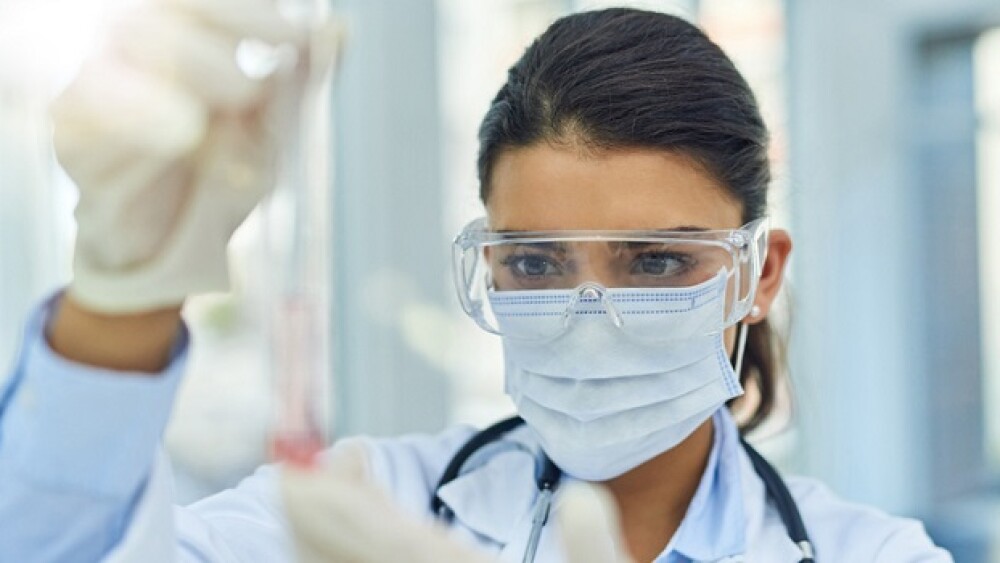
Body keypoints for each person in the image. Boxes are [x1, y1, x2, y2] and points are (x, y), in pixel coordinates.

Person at [0, 1, 953, 561]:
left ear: (758, 274)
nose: (592, 320)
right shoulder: (357, 512)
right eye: (535, 262)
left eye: (657, 261)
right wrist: (118, 305)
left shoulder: (874, 554)